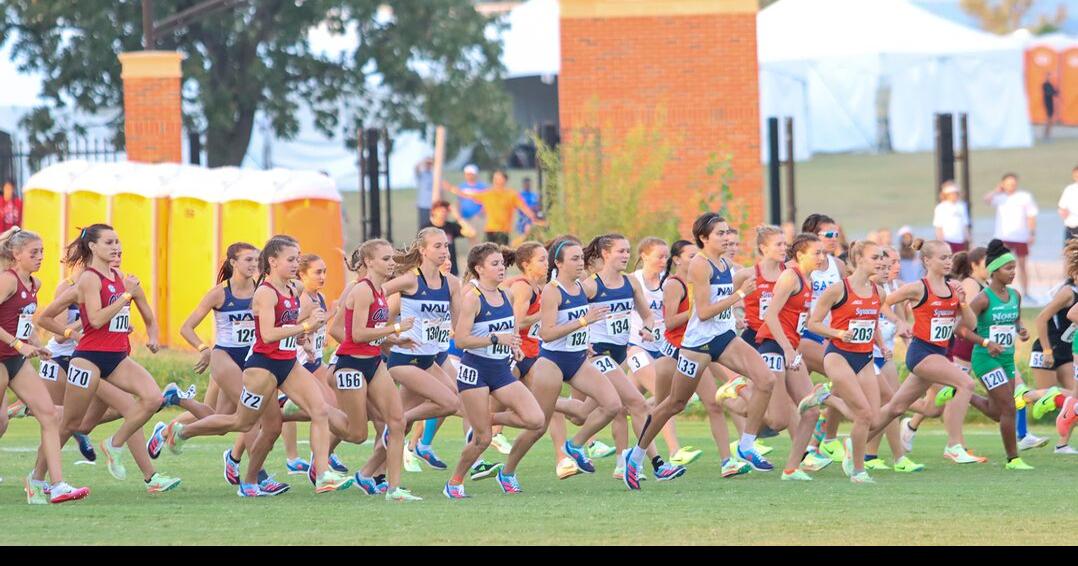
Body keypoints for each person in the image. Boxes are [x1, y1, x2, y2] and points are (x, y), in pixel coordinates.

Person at [166, 235, 355, 496]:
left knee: (319, 410)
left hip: (288, 364)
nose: (295, 263)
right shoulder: (265, 292)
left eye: (298, 258)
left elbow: (287, 325)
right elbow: (267, 334)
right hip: (262, 367)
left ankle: (322, 475)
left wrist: (304, 332)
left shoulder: (294, 289)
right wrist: (305, 326)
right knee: (243, 423)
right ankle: (183, 431)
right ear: (273, 262)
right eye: (291, 259)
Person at [623, 214, 778, 490]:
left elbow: (734, 288)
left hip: (725, 337)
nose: (727, 237)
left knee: (766, 380)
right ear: (704, 238)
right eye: (720, 233)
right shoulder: (699, 264)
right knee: (674, 403)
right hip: (699, 345)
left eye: (727, 232)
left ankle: (746, 445)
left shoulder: (724, 262)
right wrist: (740, 296)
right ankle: (635, 458)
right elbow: (704, 312)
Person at [442, 244, 544, 498]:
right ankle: (454, 482)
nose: (501, 268)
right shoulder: (472, 298)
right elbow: (462, 340)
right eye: (495, 264)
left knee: (536, 419)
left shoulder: (507, 295)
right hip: (475, 370)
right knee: (483, 440)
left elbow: (509, 331)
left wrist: (514, 347)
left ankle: (487, 419)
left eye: (502, 264)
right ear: (479, 269)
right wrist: (495, 339)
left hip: (500, 369)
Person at [0, 227, 91, 504]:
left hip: (16, 359)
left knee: (50, 415)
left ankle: (55, 484)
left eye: (42, 252)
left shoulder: (34, 285)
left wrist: (35, 344)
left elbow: (23, 321)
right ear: (16, 255)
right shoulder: (8, 280)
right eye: (34, 252)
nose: (40, 257)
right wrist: (18, 344)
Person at [337, 239, 422, 501]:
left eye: (392, 258)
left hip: (374, 361)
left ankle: (394, 489)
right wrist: (396, 328)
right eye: (385, 259)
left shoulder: (380, 291)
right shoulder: (361, 290)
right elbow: (358, 333)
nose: (391, 263)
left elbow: (372, 335)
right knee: (356, 433)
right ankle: (311, 410)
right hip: (352, 363)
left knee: (397, 422)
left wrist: (392, 341)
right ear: (369, 262)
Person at [446, 170, 541, 246]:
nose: (497, 180)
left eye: (499, 178)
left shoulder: (512, 194)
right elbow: (467, 194)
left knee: (502, 259)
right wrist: (451, 188)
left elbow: (524, 208)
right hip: (490, 230)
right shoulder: (488, 194)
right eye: (495, 178)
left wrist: (535, 219)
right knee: (486, 257)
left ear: (505, 180)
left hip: (503, 231)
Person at [984, 173, 1038, 297]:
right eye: (1008, 184)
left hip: (1021, 236)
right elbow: (986, 200)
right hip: (1003, 237)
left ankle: (1026, 292)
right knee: (1000, 266)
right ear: (1003, 184)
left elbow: (1031, 216)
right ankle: (999, 291)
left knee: (1022, 265)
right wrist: (997, 190)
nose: (1011, 186)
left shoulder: (1024, 197)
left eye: (1013, 184)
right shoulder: (999, 197)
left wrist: (1032, 233)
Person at [428, 201, 475, 276]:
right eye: (441, 211)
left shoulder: (450, 226)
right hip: (434, 272)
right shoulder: (427, 228)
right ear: (433, 211)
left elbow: (471, 233)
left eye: (446, 211)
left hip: (451, 270)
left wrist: (458, 217)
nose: (444, 213)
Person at [934, 181, 971, 253]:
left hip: (960, 241)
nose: (955, 196)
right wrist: (941, 243)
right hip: (948, 241)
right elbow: (939, 227)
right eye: (952, 194)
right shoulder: (941, 207)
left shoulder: (962, 206)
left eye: (956, 193)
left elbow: (965, 225)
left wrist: (970, 241)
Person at [1057, 165, 1078, 245]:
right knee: (1069, 253)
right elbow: (1062, 207)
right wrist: (1063, 213)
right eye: (1076, 176)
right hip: (1071, 226)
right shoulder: (1069, 189)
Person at [415, 157, 434, 229]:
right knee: (423, 226)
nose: (429, 165)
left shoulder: (434, 175)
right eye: (427, 164)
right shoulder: (421, 174)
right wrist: (423, 161)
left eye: (430, 164)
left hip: (433, 205)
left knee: (433, 227)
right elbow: (416, 167)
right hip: (423, 205)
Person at [1043, 72, 1059, 140]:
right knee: (1049, 120)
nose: (1049, 77)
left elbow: (1055, 93)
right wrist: (1054, 91)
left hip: (1051, 104)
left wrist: (1057, 90)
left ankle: (1048, 135)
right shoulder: (1045, 85)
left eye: (1050, 76)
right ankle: (1046, 136)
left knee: (1050, 121)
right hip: (1048, 104)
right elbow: (1049, 93)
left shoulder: (1050, 84)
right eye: (1048, 76)